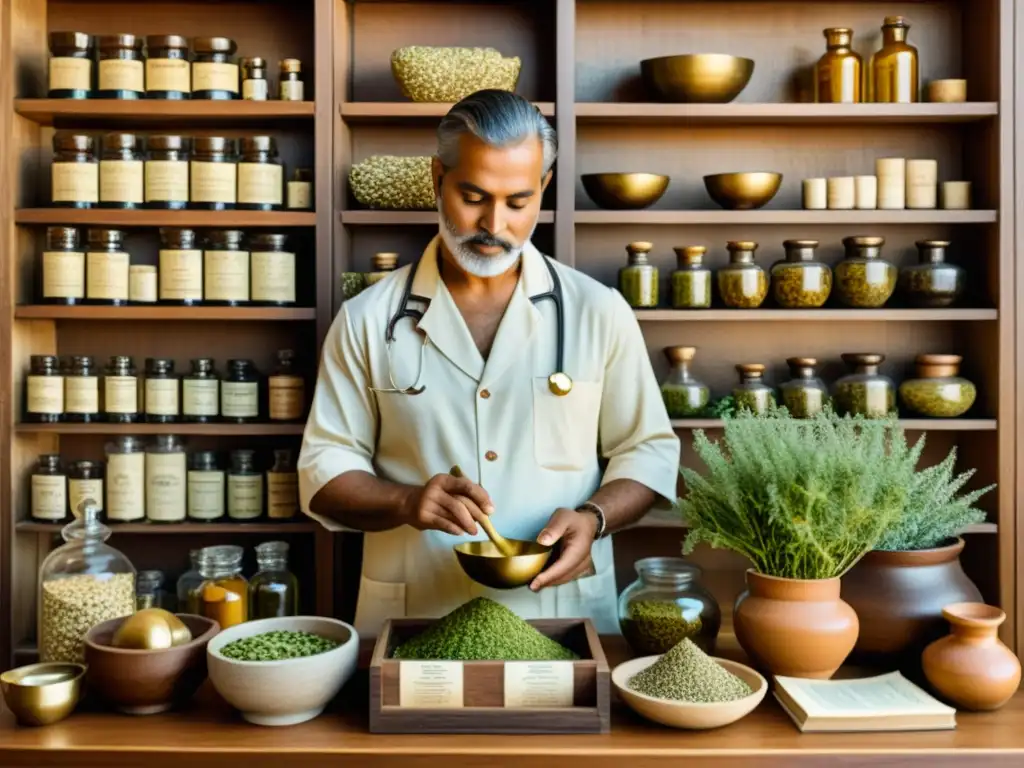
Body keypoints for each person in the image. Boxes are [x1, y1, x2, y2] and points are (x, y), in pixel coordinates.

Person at [298, 89, 681, 636]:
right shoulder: (367, 320)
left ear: (544, 189)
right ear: (437, 178)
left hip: (561, 614)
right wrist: (407, 501)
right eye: (473, 196)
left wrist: (593, 520)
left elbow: (646, 451)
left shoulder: (597, 311)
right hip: (414, 615)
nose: (494, 223)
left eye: (518, 201)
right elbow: (324, 470)